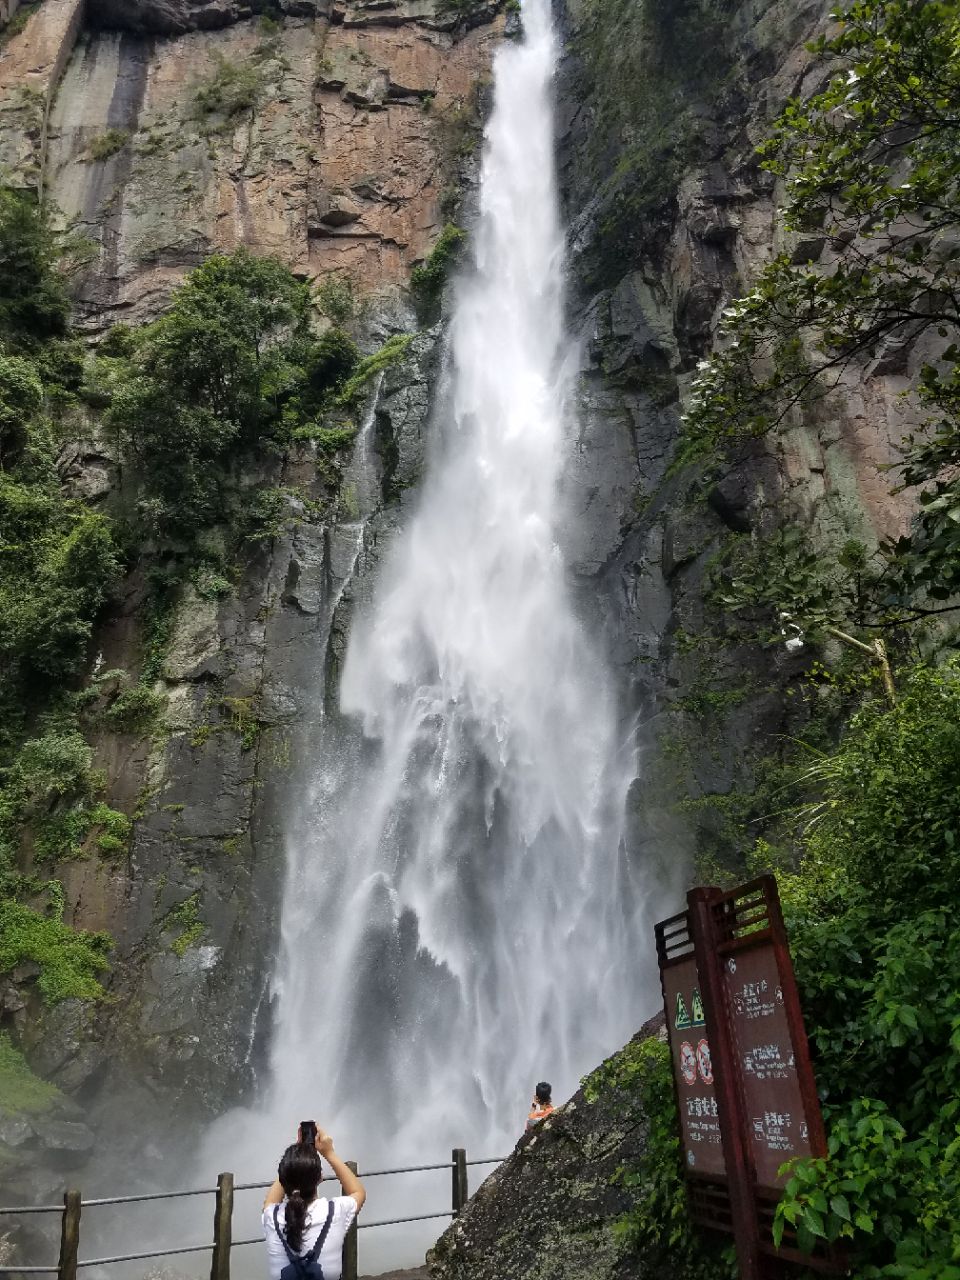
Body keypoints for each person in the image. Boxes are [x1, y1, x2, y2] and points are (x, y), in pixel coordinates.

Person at [262, 1124, 365, 1280]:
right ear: (320, 1178)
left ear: (283, 1178)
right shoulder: (335, 1212)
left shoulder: (272, 1217)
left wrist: (295, 1160)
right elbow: (358, 1192)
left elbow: (270, 1201)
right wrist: (329, 1152)